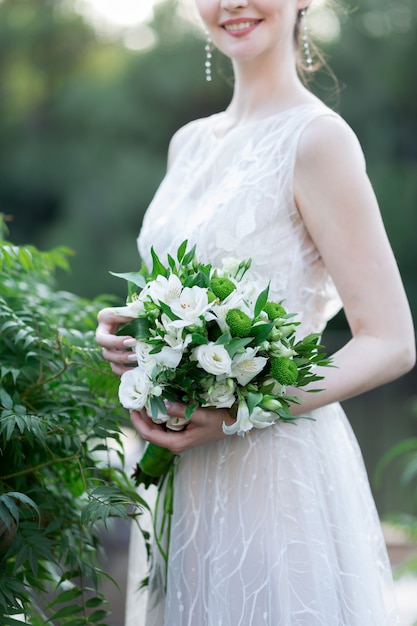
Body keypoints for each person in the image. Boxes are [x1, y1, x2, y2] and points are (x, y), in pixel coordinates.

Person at [96, 0, 415, 624]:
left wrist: (243, 409)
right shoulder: (186, 144)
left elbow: (391, 340)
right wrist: (133, 333)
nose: (233, 3)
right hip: (178, 480)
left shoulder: (318, 140)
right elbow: (181, 291)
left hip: (275, 477)